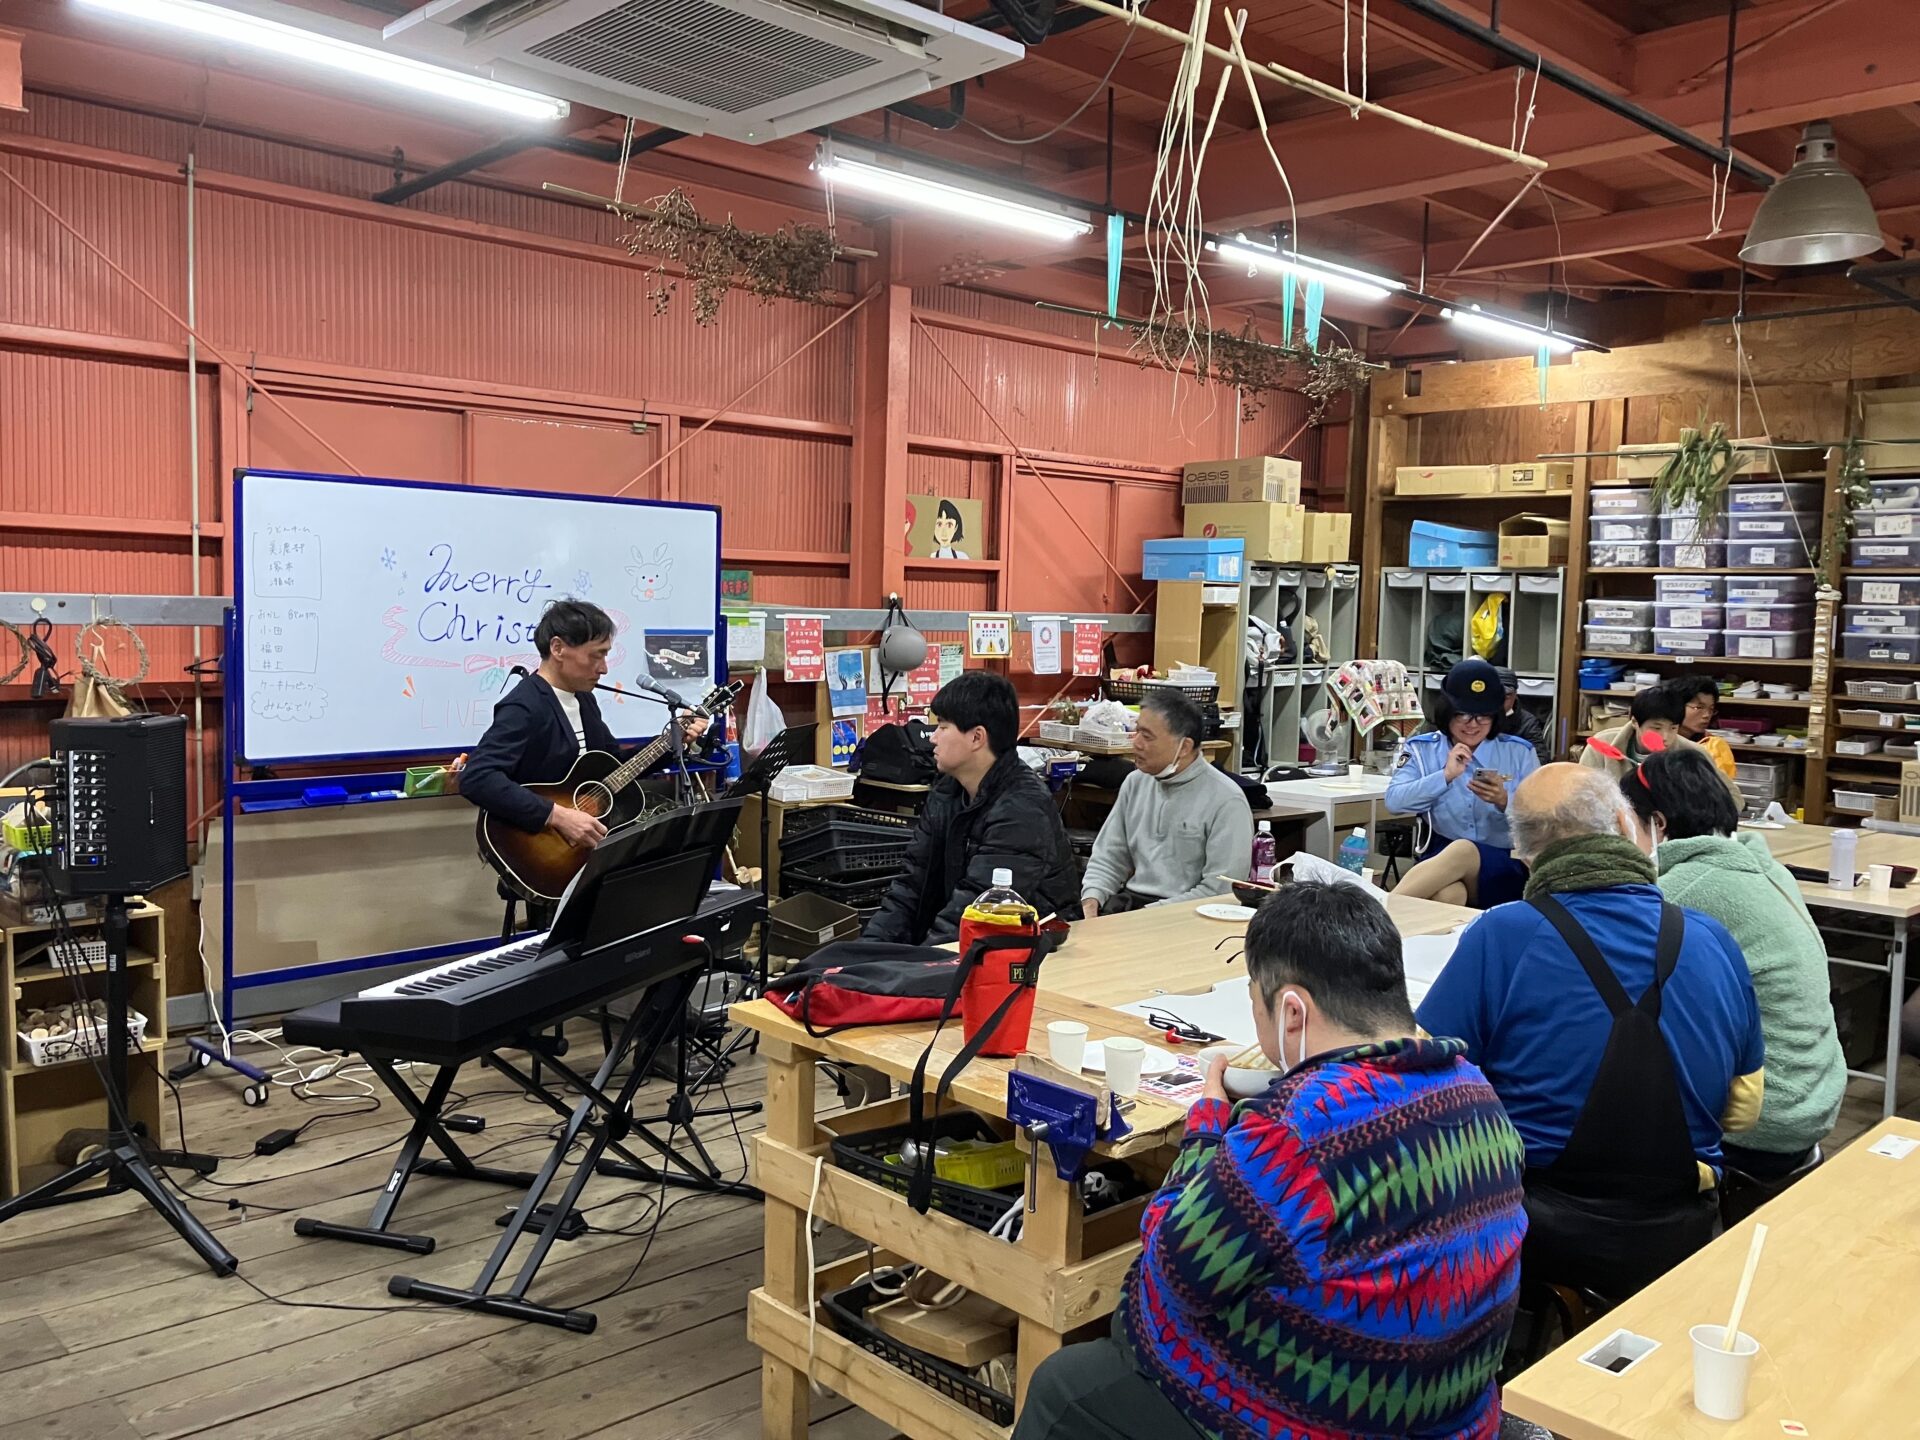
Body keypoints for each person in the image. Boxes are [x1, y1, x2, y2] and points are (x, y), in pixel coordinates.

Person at [1013, 881, 1528, 1440]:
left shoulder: (1300, 1127)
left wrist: (1207, 1127)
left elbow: (1174, 1269)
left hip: (1319, 1422)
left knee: (1067, 1382)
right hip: (1452, 1414)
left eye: (1254, 1004)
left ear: (1291, 1011)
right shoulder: (1476, 1091)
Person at [1417, 764, 1766, 1298]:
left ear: (1523, 854)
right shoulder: (1710, 938)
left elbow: (1424, 1083)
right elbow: (1744, 1109)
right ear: (1630, 828)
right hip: (1681, 1228)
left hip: (1534, 1225)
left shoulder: (1502, 935)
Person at [1620, 749, 1844, 1179]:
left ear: (1658, 824)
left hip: (1763, 1120)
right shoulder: (1767, 869)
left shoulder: (1683, 889)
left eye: (1625, 825)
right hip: (1813, 1101)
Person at [459, 598, 711, 855]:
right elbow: (476, 777)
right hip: (543, 846)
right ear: (558, 648)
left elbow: (614, 765)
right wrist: (557, 816)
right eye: (596, 655)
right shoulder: (525, 706)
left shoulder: (583, 698)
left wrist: (673, 741)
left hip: (589, 841)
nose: (603, 668)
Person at [864, 671, 1079, 944]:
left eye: (942, 726)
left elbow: (978, 912)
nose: (932, 738)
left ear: (977, 738)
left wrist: (918, 964)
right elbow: (911, 887)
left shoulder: (1022, 809)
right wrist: (867, 952)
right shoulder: (947, 791)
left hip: (1028, 954)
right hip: (962, 944)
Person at [1385, 658, 1541, 909]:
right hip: (1439, 857)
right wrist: (1444, 776)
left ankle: (1377, 915)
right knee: (1450, 895)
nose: (1473, 725)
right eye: (1463, 715)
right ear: (1447, 713)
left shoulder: (1519, 752)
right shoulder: (1423, 748)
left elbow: (1542, 821)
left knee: (1464, 850)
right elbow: (1394, 802)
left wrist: (1505, 801)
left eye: (1483, 717)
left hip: (1506, 862)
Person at [1079, 690, 1252, 917]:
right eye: (1137, 731)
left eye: (1147, 736)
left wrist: (1147, 916)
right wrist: (1092, 899)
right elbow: (1109, 856)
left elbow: (1220, 890)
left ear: (1185, 747)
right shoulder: (1135, 782)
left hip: (1190, 916)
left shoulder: (1227, 800)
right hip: (1133, 907)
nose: (1137, 743)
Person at [1662, 675, 1739, 780]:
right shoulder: (1658, 740)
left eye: (1711, 709)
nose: (1707, 715)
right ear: (1676, 706)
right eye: (1699, 707)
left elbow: (1723, 788)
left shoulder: (1714, 746)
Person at [1496, 665, 1551, 764]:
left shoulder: (1528, 722)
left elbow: (1541, 758)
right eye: (1496, 696)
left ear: (1515, 694)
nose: (1500, 702)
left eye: (1506, 697)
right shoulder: (1478, 717)